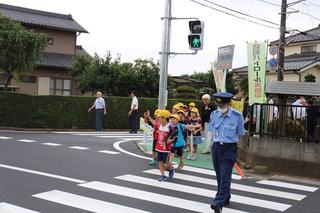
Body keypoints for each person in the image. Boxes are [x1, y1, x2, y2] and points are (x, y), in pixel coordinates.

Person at [208, 92, 245, 213]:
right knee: (220, 175)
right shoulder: (213, 114)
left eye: (222, 105)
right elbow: (211, 131)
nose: (220, 108)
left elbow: (240, 133)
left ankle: (218, 203)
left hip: (229, 148)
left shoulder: (237, 116)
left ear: (228, 104)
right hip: (217, 147)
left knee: (225, 175)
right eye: (218, 105)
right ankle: (226, 197)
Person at [155, 110, 174, 182]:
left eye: (159, 117)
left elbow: (175, 135)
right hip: (159, 147)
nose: (158, 118)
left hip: (167, 148)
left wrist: (171, 140)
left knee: (166, 164)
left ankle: (171, 169)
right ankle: (162, 175)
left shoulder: (170, 126)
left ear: (164, 118)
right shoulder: (159, 125)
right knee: (160, 161)